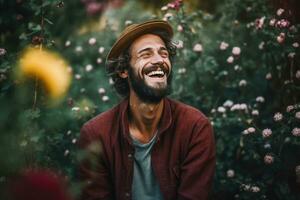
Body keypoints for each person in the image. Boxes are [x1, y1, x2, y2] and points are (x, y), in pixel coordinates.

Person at [78, 19, 216, 200]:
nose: (159, 60)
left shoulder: (195, 127)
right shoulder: (95, 135)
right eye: (146, 54)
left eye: (164, 53)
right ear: (124, 70)